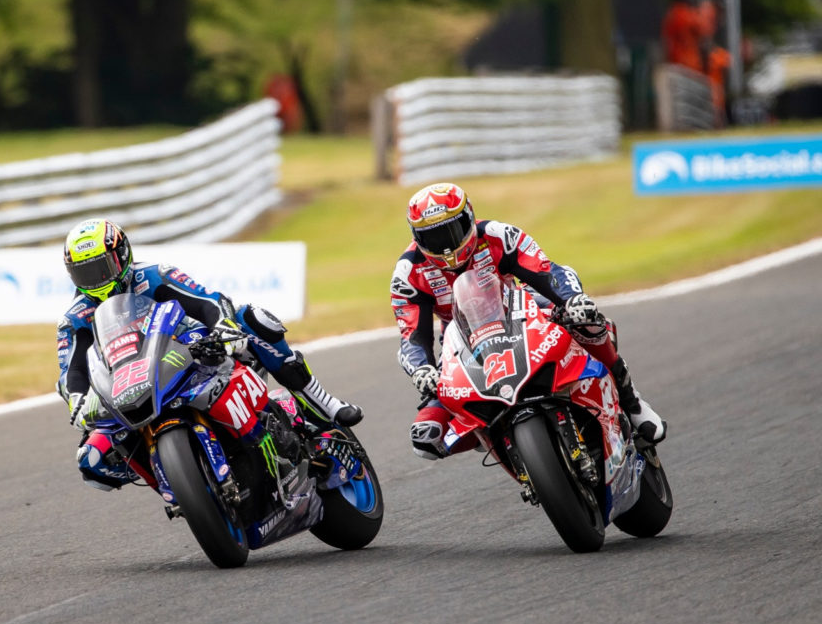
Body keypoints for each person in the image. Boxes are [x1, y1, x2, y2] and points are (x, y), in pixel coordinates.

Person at [56, 218, 362, 494]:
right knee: (91, 459)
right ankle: (179, 484)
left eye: (101, 269)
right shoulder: (75, 319)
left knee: (253, 318)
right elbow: (72, 372)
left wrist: (222, 328)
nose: (95, 281)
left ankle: (322, 402)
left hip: (191, 353)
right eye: (84, 273)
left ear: (122, 257)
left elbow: (208, 303)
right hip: (129, 388)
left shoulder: (154, 276)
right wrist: (78, 400)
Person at [390, 183, 666, 461]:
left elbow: (548, 272)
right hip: (460, 336)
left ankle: (632, 403)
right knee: (426, 436)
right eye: (433, 237)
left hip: (521, 307)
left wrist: (572, 300)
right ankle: (493, 434)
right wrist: (421, 369)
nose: (446, 245)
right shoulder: (408, 273)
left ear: (470, 217)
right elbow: (412, 337)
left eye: (451, 230)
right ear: (416, 237)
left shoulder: (499, 235)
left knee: (586, 321)